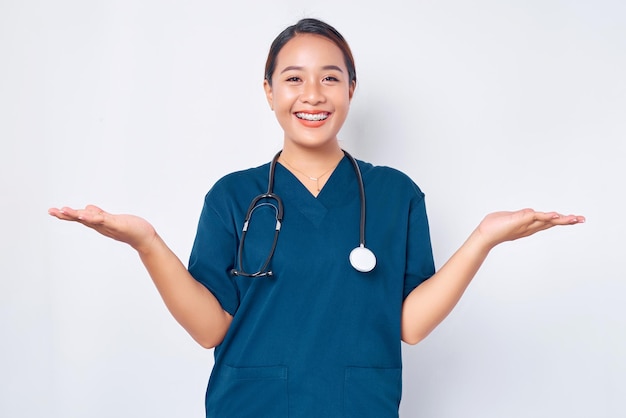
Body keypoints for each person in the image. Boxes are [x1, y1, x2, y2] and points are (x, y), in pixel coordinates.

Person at [48, 18, 585, 418]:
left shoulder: (396, 194)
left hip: (358, 407)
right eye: (293, 79)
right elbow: (211, 327)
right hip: (249, 406)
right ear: (269, 92)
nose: (312, 95)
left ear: (351, 89)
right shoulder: (233, 196)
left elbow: (411, 326)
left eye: (330, 78)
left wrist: (483, 240)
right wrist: (145, 242)